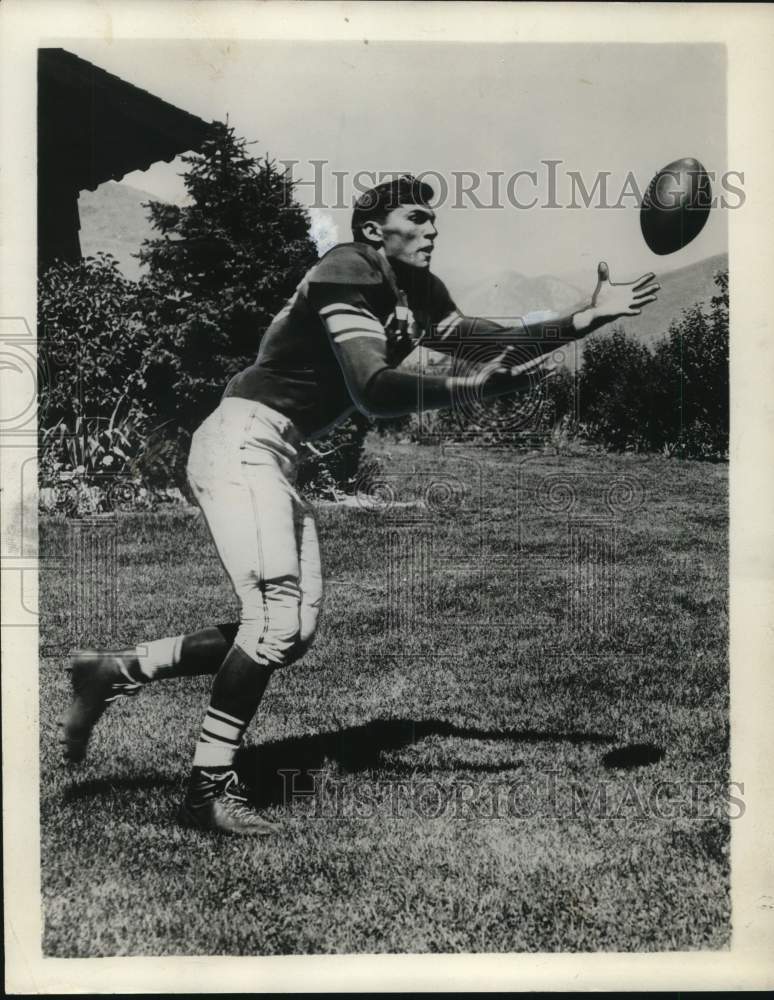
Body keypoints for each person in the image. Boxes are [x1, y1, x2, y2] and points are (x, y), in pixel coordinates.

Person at [61, 175, 659, 834]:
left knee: (289, 634)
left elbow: (486, 342)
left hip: (275, 453)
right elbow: (373, 388)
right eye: (416, 216)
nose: (432, 228)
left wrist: (585, 318)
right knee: (273, 625)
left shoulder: (419, 292)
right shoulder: (346, 269)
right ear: (375, 230)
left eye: (435, 219)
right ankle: (206, 789)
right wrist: (467, 392)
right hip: (242, 440)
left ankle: (115, 669)